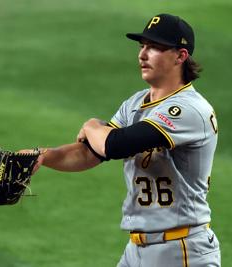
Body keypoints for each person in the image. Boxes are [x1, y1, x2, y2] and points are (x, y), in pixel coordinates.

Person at [21, 13, 220, 267]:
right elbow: (90, 153)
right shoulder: (135, 103)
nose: (142, 54)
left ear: (181, 56)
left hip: (181, 251)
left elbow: (115, 145)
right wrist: (43, 155)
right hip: (136, 250)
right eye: (142, 46)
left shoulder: (189, 109)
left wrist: (91, 124)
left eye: (154, 47)